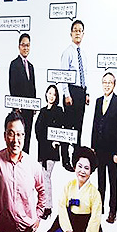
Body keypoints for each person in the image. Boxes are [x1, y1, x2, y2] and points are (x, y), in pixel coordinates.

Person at [0, 111, 46, 232]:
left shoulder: (33, 165)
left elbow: (43, 192)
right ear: (5, 136)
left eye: (19, 134)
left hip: (27, 231)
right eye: (11, 134)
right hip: (4, 228)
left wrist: (38, 216)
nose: (15, 140)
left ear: (24, 136)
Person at [42, 147, 103, 232]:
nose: (82, 171)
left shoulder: (95, 193)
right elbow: (62, 207)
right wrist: (67, 230)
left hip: (84, 226)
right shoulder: (69, 186)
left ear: (91, 171)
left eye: (86, 168)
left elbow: (95, 219)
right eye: (79, 166)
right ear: (75, 167)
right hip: (67, 222)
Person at [91, 71, 117, 224]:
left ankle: (113, 211)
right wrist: (93, 147)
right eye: (104, 82)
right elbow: (94, 124)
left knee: (113, 182)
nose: (107, 85)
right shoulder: (98, 101)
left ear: (114, 84)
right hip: (99, 149)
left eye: (109, 83)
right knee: (101, 181)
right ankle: (100, 209)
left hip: (112, 152)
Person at [60, 19, 89, 170]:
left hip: (81, 92)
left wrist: (87, 92)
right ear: (71, 33)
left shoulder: (83, 53)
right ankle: (65, 159)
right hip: (71, 92)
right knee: (67, 128)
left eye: (80, 31)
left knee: (78, 127)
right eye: (75, 30)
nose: (78, 33)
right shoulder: (68, 52)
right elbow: (64, 75)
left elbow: (85, 74)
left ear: (83, 34)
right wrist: (66, 94)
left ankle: (76, 158)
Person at [34, 84, 64, 218]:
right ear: (46, 94)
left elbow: (61, 128)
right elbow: (37, 128)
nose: (51, 96)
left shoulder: (59, 110)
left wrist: (56, 141)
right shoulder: (42, 110)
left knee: (46, 177)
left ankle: (48, 207)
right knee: (42, 178)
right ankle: (43, 205)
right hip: (42, 148)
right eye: (49, 93)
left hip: (51, 150)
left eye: (54, 94)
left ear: (56, 97)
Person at [8, 33, 37, 153]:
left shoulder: (31, 66)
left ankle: (25, 160)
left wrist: (34, 105)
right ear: (19, 46)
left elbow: (33, 87)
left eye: (28, 45)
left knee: (27, 136)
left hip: (29, 109)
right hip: (19, 109)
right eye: (23, 45)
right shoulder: (14, 64)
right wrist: (16, 107)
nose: (26, 48)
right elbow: (12, 86)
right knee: (17, 136)